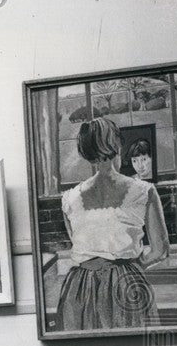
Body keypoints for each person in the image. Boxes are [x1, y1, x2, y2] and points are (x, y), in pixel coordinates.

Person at [56, 117, 169, 331]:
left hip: (78, 289)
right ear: (118, 145)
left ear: (86, 153)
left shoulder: (68, 199)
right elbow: (160, 250)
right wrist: (130, 266)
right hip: (126, 286)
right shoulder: (144, 191)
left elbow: (79, 244)